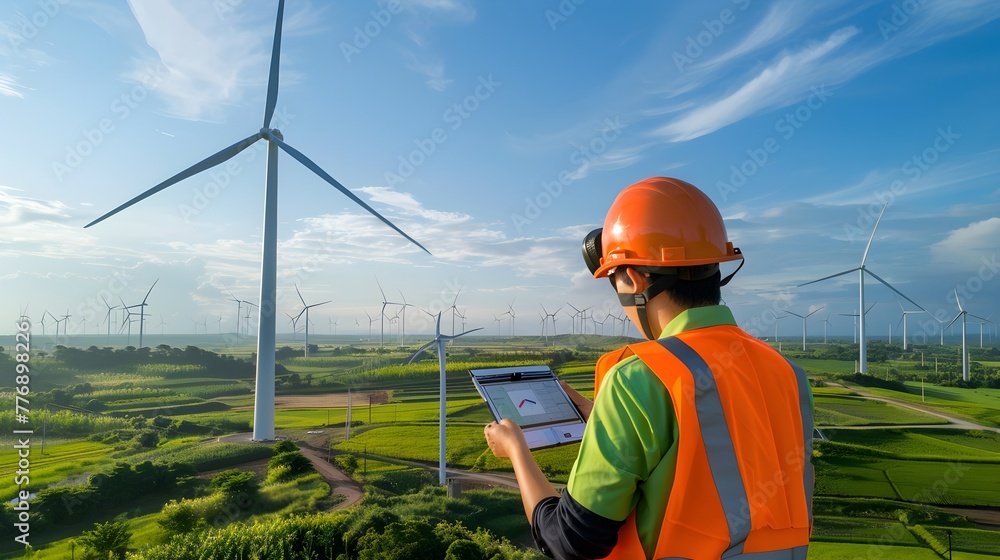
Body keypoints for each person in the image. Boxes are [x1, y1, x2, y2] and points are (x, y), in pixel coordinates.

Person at [484, 177, 813, 560]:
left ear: (634, 278)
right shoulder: (787, 372)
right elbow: (722, 451)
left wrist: (517, 451)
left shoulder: (639, 378)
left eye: (614, 279)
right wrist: (606, 419)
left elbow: (571, 542)